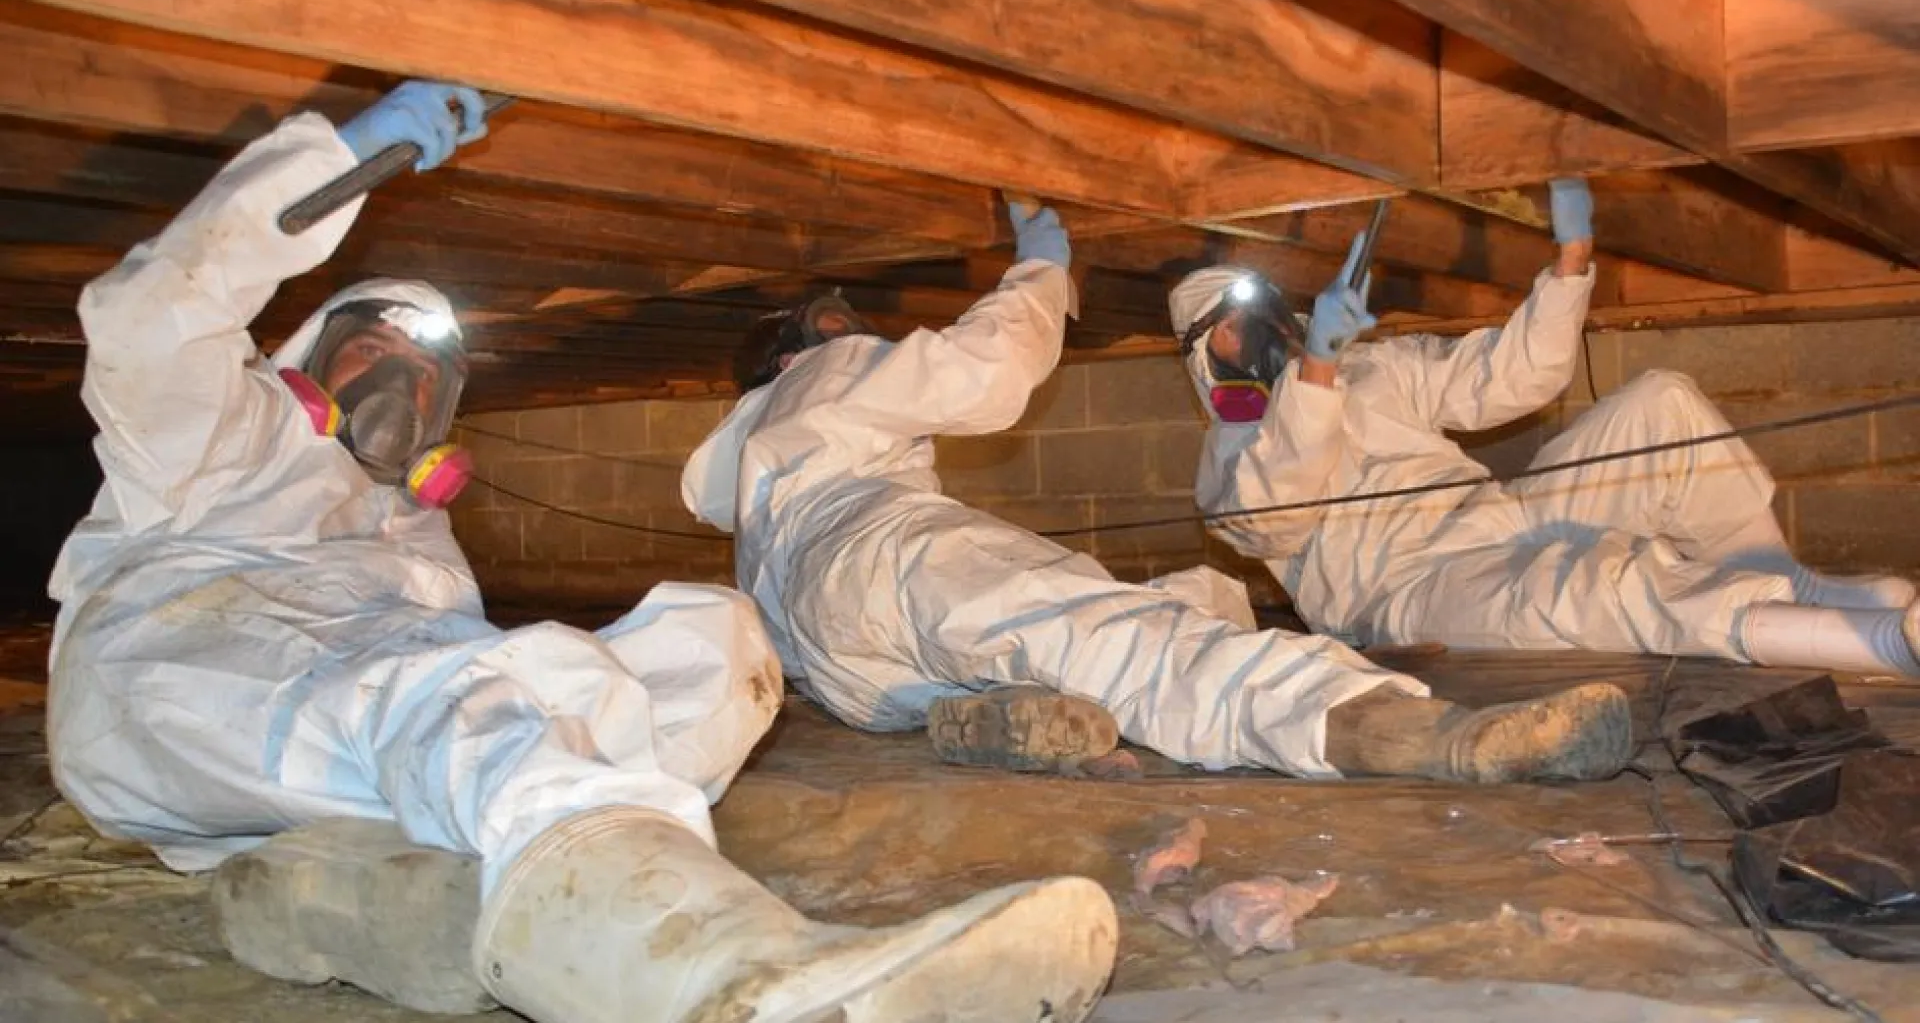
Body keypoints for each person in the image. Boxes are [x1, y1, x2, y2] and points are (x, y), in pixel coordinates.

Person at [46, 80, 1119, 1023]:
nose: (400, 389)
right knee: (479, 690)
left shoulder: (416, 532)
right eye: (375, 351)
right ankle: (738, 973)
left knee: (716, 643)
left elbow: (467, 684)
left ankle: (377, 897)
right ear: (315, 354)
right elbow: (151, 312)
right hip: (175, 683)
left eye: (427, 380)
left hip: (322, 740)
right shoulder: (227, 434)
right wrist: (349, 155)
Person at [682, 198, 1635, 795]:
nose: (861, 332)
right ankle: (1393, 728)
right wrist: (1043, 268)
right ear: (793, 351)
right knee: (1114, 633)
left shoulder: (761, 484)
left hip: (839, 671)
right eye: (839, 321)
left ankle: (979, 718)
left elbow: (1510, 375)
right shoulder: (826, 377)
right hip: (878, 555)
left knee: (1177, 602)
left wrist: (1565, 266)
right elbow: (983, 371)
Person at [1169, 179, 1920, 676]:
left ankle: (1794, 582)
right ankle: (1879, 645)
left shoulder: (1377, 369)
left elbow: (1512, 377)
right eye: (1234, 328)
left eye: (1258, 312)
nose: (1257, 331)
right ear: (1207, 357)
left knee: (1662, 402)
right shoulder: (1227, 459)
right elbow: (1282, 511)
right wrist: (1316, 373)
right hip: (1410, 595)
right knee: (1590, 584)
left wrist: (1569, 262)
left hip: (1501, 519)